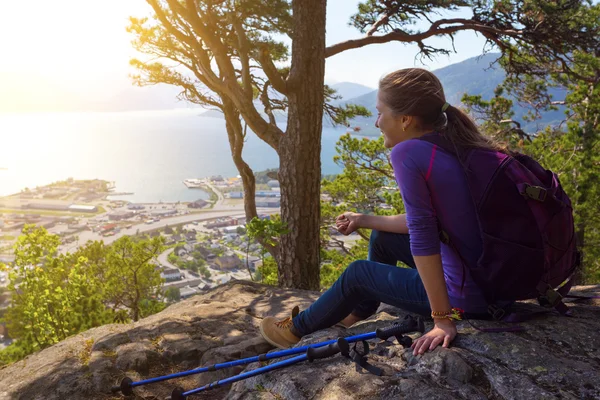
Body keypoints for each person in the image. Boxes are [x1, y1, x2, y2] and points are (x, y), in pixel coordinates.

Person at [259, 67, 514, 356]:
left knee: (358, 273)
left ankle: (294, 331)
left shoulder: (408, 153)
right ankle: (353, 314)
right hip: (491, 280)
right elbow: (431, 220)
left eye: (381, 112)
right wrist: (363, 220)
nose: (377, 121)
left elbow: (424, 235)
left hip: (467, 296)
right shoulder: (452, 144)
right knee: (381, 235)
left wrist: (443, 320)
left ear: (405, 119)